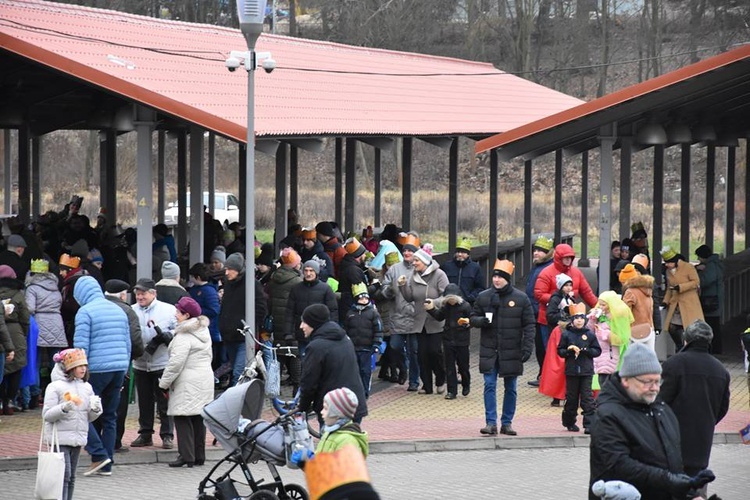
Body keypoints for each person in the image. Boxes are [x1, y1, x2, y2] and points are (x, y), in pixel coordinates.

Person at [589, 343, 714, 500]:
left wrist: (690, 492)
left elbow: (673, 461)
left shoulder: (661, 409)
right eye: (647, 382)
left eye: (657, 381)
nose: (654, 388)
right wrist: (669, 481)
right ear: (626, 380)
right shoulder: (608, 415)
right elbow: (618, 465)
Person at [464, 259, 534, 436]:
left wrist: (527, 347)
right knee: (489, 384)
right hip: (490, 349)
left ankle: (507, 422)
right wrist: (483, 321)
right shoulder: (484, 296)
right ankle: (490, 422)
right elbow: (472, 318)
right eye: (494, 276)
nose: (496, 280)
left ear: (507, 279)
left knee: (511, 387)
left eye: (500, 277)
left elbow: (529, 325)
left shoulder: (521, 298)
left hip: (511, 350)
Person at [660, 320, 730, 494]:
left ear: (686, 340)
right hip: (702, 443)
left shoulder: (673, 364)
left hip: (671, 445)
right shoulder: (721, 371)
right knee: (697, 492)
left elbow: (660, 403)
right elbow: (722, 408)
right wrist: (707, 421)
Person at [72, 275, 130, 476]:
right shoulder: (118, 309)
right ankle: (107, 463)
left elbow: (81, 346)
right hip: (119, 368)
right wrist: (125, 367)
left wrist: (78, 371)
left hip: (96, 369)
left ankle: (98, 454)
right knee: (109, 416)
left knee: (80, 413)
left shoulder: (85, 312)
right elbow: (127, 342)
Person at [158, 297, 214, 468]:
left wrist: (163, 383)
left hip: (187, 380)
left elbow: (175, 364)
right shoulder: (203, 330)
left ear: (186, 315)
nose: (175, 315)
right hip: (204, 378)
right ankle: (199, 456)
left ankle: (186, 456)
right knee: (198, 417)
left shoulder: (184, 335)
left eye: (178, 312)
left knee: (182, 417)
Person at [42, 349, 103, 499]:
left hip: (77, 437)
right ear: (69, 367)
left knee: (71, 476)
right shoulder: (55, 387)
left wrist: (96, 410)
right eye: (79, 365)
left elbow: (87, 417)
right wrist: (63, 408)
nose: (83, 369)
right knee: (65, 474)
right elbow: (47, 415)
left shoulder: (86, 387)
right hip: (59, 438)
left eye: (85, 365)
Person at [297, 304, 367, 425]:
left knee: (332, 443)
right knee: (351, 441)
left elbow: (309, 383)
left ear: (314, 323)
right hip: (354, 404)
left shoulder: (316, 347)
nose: (301, 326)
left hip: (333, 409)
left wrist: (302, 407)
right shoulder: (345, 339)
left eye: (304, 322)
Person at [130, 277, 176, 449]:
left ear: (153, 293)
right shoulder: (131, 310)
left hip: (162, 363)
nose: (140, 297)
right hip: (140, 364)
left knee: (164, 402)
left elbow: (179, 328)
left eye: (143, 294)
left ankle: (167, 435)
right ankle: (145, 433)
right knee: (144, 401)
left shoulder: (169, 310)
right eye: (137, 294)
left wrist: (169, 335)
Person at [534, 244, 598, 368]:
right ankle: (547, 378)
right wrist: (559, 300)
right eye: (565, 257)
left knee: (569, 349)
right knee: (551, 351)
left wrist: (598, 307)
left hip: (570, 320)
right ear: (558, 257)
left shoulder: (576, 272)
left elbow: (587, 292)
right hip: (548, 320)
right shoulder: (546, 272)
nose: (568, 260)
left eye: (570, 257)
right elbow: (539, 294)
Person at [102, 279, 144, 454]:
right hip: (120, 364)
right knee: (117, 405)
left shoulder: (94, 307)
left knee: (97, 401)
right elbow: (135, 340)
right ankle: (114, 442)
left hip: (97, 364)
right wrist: (133, 356)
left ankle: (95, 440)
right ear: (122, 294)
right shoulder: (127, 310)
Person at [400, 248, 448, 395]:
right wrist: (402, 286)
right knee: (421, 355)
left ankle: (440, 379)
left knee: (435, 352)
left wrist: (435, 303)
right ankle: (427, 385)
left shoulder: (439, 274)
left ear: (425, 262)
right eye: (413, 261)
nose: (414, 263)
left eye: (417, 261)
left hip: (435, 319)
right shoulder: (413, 276)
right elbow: (409, 298)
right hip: (420, 321)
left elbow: (447, 295)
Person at [219, 252, 267, 386]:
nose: (227, 273)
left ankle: (238, 404)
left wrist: (250, 325)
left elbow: (261, 308)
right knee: (236, 369)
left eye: (230, 269)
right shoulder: (228, 284)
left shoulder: (252, 284)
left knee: (239, 374)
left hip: (244, 336)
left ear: (238, 270)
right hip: (229, 335)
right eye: (226, 269)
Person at [381, 233, 420, 390]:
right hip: (397, 315)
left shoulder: (420, 268)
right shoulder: (394, 269)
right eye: (405, 251)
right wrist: (390, 289)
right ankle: (403, 368)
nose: (407, 254)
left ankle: (414, 381)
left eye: (410, 251)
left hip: (414, 316)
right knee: (395, 346)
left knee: (414, 351)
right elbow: (384, 289)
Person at [557, 302, 601, 433]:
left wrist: (587, 351)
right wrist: (569, 351)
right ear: (572, 320)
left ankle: (589, 424)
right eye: (576, 318)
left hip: (586, 371)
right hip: (571, 371)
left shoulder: (590, 335)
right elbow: (560, 351)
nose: (579, 320)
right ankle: (569, 422)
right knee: (571, 398)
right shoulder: (566, 334)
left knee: (587, 398)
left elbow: (597, 351)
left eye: (582, 318)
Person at [426, 283, 472, 399]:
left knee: (463, 366)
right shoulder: (446, 307)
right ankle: (452, 391)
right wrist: (431, 309)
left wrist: (467, 324)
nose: (451, 302)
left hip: (462, 341)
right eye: (448, 299)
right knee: (449, 367)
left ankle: (466, 383)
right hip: (448, 340)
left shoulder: (466, 306)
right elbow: (439, 316)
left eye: (452, 299)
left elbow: (472, 320)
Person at [285, 260, 338, 358]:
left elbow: (333, 312)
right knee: (304, 362)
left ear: (316, 272)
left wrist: (331, 331)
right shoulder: (296, 289)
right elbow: (290, 312)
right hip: (302, 334)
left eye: (311, 271)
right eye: (306, 270)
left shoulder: (326, 289)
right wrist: (288, 332)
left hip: (320, 334)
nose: (308, 273)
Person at [524, 235, 554, 387]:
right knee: (540, 347)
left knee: (545, 346)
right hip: (535, 313)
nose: (536, 253)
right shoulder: (537, 266)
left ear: (548, 253)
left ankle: (545, 376)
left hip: (542, 314)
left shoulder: (548, 268)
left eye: (540, 251)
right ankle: (542, 374)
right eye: (535, 250)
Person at [343, 283, 383, 399]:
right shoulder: (350, 313)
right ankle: (355, 391)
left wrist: (376, 344)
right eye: (361, 298)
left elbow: (378, 329)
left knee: (365, 371)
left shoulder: (373, 313)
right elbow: (346, 329)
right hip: (353, 347)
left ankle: (365, 391)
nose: (364, 300)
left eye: (366, 298)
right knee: (354, 371)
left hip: (367, 348)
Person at [0, 265, 30, 416]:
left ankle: (0, 401)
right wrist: (23, 333)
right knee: (16, 368)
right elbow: (25, 317)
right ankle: (10, 401)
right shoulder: (18, 294)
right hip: (15, 331)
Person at [660, 246, 703, 351]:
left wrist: (681, 287)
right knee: (671, 327)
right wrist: (665, 302)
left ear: (674, 261)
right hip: (676, 304)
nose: (666, 265)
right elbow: (669, 288)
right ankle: (680, 346)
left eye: (668, 262)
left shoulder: (688, 267)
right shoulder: (668, 272)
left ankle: (687, 348)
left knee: (689, 328)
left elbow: (696, 282)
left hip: (689, 303)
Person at [315, 387, 369, 457]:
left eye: (326, 409)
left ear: (337, 413)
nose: (322, 412)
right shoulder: (328, 433)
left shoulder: (347, 441)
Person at [187, 263, 222, 371]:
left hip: (209, 330)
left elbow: (214, 310)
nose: (191, 279)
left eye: (192, 276)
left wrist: (195, 311)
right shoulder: (195, 289)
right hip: (199, 328)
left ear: (197, 277)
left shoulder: (209, 291)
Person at [694, 245, 724, 354]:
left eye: (699, 257)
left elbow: (705, 281)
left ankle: (715, 349)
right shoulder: (715, 264)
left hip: (711, 301)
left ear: (703, 256)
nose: (698, 259)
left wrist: (698, 273)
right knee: (714, 325)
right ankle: (715, 349)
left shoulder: (711, 266)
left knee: (712, 325)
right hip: (714, 300)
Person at [619, 263, 656, 350]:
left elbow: (624, 312)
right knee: (649, 358)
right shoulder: (647, 289)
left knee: (632, 359)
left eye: (622, 282)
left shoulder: (630, 292)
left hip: (634, 331)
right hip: (649, 329)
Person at [440, 237, 484, 305]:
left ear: (468, 254)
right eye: (458, 252)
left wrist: (470, 297)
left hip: (468, 304)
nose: (460, 254)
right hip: (448, 304)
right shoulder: (447, 266)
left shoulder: (475, 268)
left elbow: (480, 288)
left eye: (463, 252)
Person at [338, 238, 369, 323]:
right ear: (358, 255)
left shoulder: (347, 265)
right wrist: (376, 285)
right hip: (352, 310)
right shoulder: (354, 270)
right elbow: (360, 292)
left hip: (346, 308)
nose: (365, 256)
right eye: (363, 254)